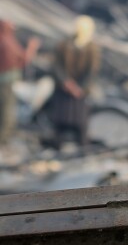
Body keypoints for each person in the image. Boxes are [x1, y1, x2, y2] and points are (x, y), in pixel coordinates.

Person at [50, 16, 100, 147]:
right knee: (60, 119)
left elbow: (91, 71)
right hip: (64, 88)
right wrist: (66, 82)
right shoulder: (64, 44)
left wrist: (81, 88)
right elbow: (56, 66)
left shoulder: (92, 48)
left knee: (81, 121)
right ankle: (57, 145)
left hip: (80, 91)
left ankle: (83, 147)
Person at [0, 20, 40, 146]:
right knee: (7, 112)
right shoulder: (7, 41)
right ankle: (3, 139)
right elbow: (24, 60)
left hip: (5, 81)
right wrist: (32, 47)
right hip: (6, 82)